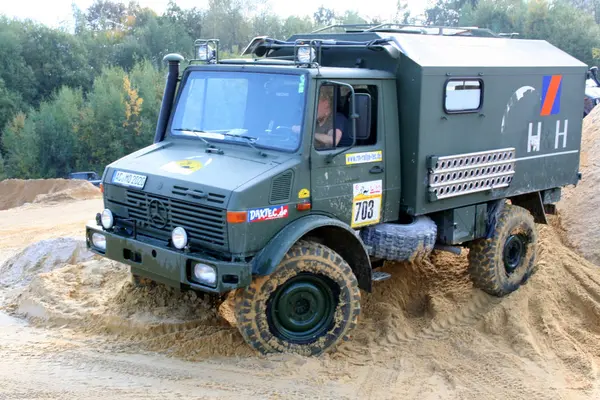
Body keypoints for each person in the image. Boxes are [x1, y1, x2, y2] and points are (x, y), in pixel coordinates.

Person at [292, 85, 347, 149]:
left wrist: (306, 132)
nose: (311, 109)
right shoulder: (316, 120)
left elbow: (333, 141)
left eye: (314, 104)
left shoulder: (337, 118)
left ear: (326, 103)